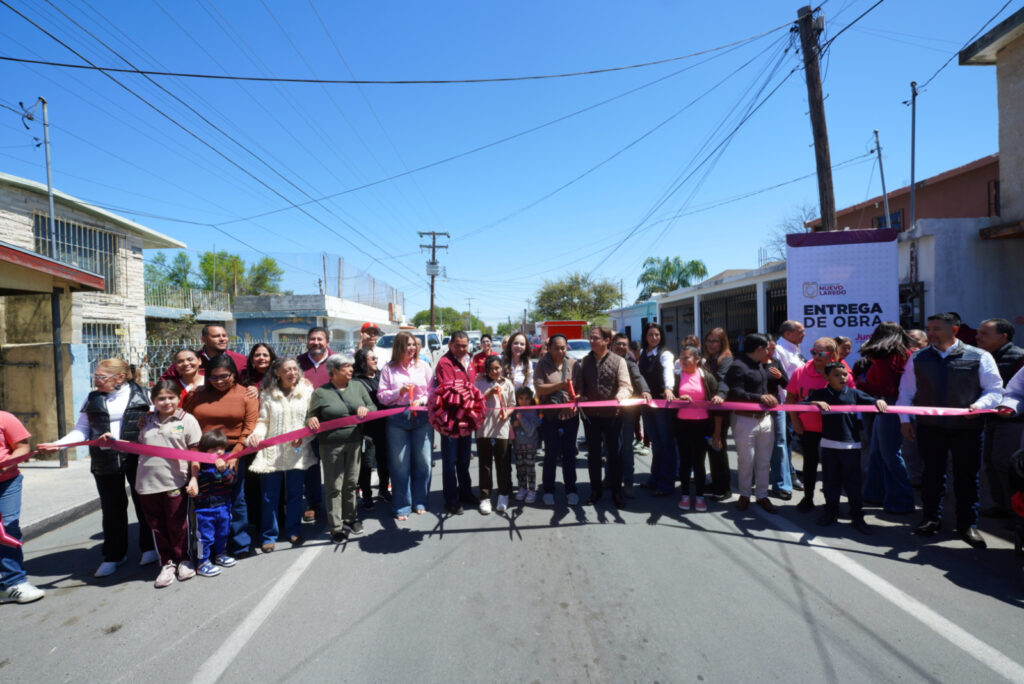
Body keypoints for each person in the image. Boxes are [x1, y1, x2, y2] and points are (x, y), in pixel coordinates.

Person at [38, 359, 156, 577]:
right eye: (95, 376)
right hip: (105, 461)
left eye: (101, 377)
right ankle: (114, 554)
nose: (96, 381)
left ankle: (149, 547)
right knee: (112, 508)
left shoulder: (145, 395)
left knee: (144, 503)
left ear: (120, 377)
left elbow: (157, 426)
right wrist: (58, 444)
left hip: (138, 458)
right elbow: (82, 430)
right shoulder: (93, 398)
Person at [898, 313, 1004, 548]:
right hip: (930, 428)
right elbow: (906, 392)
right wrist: (904, 420)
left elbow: (995, 390)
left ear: (954, 329)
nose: (931, 333)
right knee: (932, 475)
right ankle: (931, 519)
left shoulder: (979, 356)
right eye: (929, 328)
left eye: (936, 328)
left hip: (968, 428)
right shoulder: (918, 358)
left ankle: (967, 524)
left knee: (967, 477)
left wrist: (979, 406)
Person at [183, 355, 259, 558]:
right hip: (200, 453)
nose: (219, 381)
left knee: (236, 498)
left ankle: (239, 544)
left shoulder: (246, 395)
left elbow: (248, 428)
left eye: (224, 376)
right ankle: (207, 546)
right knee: (203, 499)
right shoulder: (197, 394)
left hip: (230, 453)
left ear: (234, 375)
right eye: (213, 377)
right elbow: (181, 418)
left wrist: (235, 455)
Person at [806, 362, 888, 535]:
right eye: (836, 375)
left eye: (844, 374)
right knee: (830, 482)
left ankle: (857, 516)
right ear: (826, 377)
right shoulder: (820, 394)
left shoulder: (854, 393)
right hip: (828, 446)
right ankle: (831, 512)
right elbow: (800, 404)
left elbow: (873, 401)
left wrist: (879, 401)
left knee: (853, 483)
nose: (842, 378)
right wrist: (814, 402)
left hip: (851, 446)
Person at [136, 380, 202, 588]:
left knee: (179, 524)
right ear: (153, 401)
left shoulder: (187, 420)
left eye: (171, 397)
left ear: (178, 398)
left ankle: (184, 559)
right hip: (147, 483)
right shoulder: (146, 421)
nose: (166, 402)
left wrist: (194, 478)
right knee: (157, 526)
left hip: (176, 481)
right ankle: (167, 563)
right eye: (161, 399)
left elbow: (195, 454)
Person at [247, 358, 316, 552]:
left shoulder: (307, 391)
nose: (292, 373)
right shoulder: (268, 394)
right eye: (287, 369)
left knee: (295, 493)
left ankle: (294, 529)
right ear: (277, 372)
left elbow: (312, 418)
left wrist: (304, 437)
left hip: (297, 450)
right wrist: (257, 435)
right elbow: (263, 420)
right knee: (269, 496)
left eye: (295, 369)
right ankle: (269, 535)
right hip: (272, 452)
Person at [306, 354, 373, 541]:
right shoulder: (321, 392)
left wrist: (365, 410)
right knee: (334, 486)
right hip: (330, 445)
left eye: (351, 366)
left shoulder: (358, 387)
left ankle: (351, 518)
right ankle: (335, 526)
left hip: (354, 442)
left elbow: (373, 407)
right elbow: (310, 417)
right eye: (346, 366)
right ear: (334, 370)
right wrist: (311, 419)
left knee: (351, 483)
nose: (351, 369)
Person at [786, 337, 853, 513]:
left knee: (833, 468)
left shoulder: (842, 372)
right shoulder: (800, 372)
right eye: (813, 352)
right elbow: (790, 398)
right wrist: (795, 422)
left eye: (821, 353)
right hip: (808, 428)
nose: (816, 356)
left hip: (834, 429)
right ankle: (808, 499)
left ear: (832, 355)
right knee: (809, 465)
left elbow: (852, 399)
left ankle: (832, 504)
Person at [857, 322, 915, 514]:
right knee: (878, 453)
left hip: (890, 406)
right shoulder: (898, 355)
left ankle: (901, 500)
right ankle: (875, 494)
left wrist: (859, 386)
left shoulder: (890, 358)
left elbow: (888, 389)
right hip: (888, 405)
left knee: (889, 454)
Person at [378, 331, 433, 521]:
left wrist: (423, 399)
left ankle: (420, 500)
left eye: (413, 345)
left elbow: (433, 390)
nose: (411, 348)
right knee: (400, 464)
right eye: (407, 345)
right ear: (399, 347)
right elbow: (382, 396)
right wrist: (397, 391)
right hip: (396, 418)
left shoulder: (423, 366)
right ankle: (401, 505)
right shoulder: (388, 369)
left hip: (422, 417)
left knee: (424, 462)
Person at [974, 318, 1024, 518]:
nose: (978, 337)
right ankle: (1003, 505)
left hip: (1013, 423)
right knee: (991, 462)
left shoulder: (1018, 357)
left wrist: (1010, 408)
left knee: (1005, 463)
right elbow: (1016, 393)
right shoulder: (981, 356)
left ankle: (1015, 512)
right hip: (993, 418)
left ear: (1003, 337)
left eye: (984, 333)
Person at [577, 326, 632, 508]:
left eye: (595, 338)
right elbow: (581, 387)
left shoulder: (618, 361)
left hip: (612, 416)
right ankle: (595, 490)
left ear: (607, 341)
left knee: (614, 455)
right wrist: (581, 395)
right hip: (591, 417)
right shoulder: (584, 362)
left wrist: (620, 396)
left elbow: (626, 386)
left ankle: (616, 491)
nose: (591, 341)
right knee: (593, 455)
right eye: (590, 338)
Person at [725, 334, 779, 513]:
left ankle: (762, 495)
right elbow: (735, 393)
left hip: (764, 419)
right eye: (766, 349)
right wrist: (760, 397)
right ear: (759, 349)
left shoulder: (760, 364)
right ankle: (745, 494)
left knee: (764, 461)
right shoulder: (737, 366)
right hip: (744, 420)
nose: (769, 352)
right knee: (746, 460)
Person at [0, 411, 44, 604]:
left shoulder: (4, 418)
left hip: (6, 482)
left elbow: (22, 447)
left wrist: (6, 464)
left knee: (7, 528)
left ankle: (15, 581)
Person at [673, 345, 723, 512]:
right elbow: (668, 399)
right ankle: (685, 494)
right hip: (681, 425)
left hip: (702, 426)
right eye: (681, 358)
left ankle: (700, 496)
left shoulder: (707, 378)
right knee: (685, 462)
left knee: (699, 461)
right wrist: (678, 398)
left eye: (686, 358)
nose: (682, 361)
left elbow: (718, 407)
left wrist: (717, 433)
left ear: (697, 360)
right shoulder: (676, 377)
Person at [534, 335, 582, 506]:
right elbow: (539, 388)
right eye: (557, 348)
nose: (560, 351)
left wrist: (574, 403)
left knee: (569, 454)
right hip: (550, 417)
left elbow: (580, 389)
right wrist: (560, 385)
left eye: (563, 347)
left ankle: (571, 489)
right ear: (549, 348)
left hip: (570, 416)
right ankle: (548, 489)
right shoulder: (542, 364)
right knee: (551, 454)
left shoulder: (574, 364)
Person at [433, 332, 478, 514]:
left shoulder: (470, 362)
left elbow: (474, 386)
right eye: (458, 345)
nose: (461, 349)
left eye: (464, 346)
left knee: (464, 459)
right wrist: (471, 396)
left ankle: (465, 492)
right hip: (450, 421)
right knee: (450, 461)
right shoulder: (445, 363)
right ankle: (451, 499)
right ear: (450, 344)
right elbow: (449, 390)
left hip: (467, 420)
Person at [297, 327, 331, 523]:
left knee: (335, 465)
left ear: (327, 342)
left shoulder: (337, 361)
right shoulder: (296, 363)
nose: (315, 343)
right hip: (306, 424)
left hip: (333, 423)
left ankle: (339, 503)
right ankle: (314, 504)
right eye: (312, 339)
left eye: (320, 339)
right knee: (310, 465)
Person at [636, 324, 675, 498]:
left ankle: (666, 484)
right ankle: (654, 478)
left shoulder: (665, 354)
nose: (654, 338)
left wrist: (668, 388)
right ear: (645, 336)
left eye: (657, 335)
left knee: (666, 445)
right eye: (651, 335)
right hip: (646, 404)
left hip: (661, 405)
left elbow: (668, 371)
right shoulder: (643, 354)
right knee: (656, 445)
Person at [190, 430, 235, 577]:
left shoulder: (225, 464)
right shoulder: (199, 467)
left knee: (223, 533)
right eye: (214, 449)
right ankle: (202, 562)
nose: (219, 452)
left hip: (223, 507)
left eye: (221, 448)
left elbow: (230, 482)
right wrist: (192, 488)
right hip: (204, 511)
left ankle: (220, 554)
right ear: (205, 450)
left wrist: (223, 470)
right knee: (205, 538)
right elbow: (194, 484)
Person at [474, 356, 516, 514]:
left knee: (503, 462)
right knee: (485, 463)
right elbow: (474, 401)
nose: (494, 372)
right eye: (490, 369)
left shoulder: (508, 383)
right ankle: (485, 497)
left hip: (502, 427)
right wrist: (487, 394)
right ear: (486, 370)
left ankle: (503, 494)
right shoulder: (479, 382)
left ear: (502, 368)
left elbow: (513, 404)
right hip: (483, 427)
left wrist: (507, 413)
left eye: (497, 368)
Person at [612, 332, 651, 497]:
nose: (621, 347)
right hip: (609, 413)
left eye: (624, 344)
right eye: (618, 343)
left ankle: (628, 483)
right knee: (611, 448)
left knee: (627, 448)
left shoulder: (629, 362)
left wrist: (645, 390)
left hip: (627, 412)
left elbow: (638, 376)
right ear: (612, 344)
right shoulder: (606, 360)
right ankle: (610, 479)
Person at [354, 348, 390, 508]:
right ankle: (366, 494)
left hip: (384, 426)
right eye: (372, 359)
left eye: (376, 358)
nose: (376, 361)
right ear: (363, 362)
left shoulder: (382, 376)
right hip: (366, 430)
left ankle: (384, 489)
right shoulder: (355, 381)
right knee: (367, 463)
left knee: (384, 460)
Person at [703, 327, 735, 501]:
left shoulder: (726, 359)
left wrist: (720, 395)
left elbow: (724, 380)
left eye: (715, 341)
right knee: (712, 446)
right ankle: (716, 481)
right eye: (708, 340)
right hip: (709, 409)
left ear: (722, 343)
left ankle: (724, 488)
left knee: (718, 444)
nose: (710, 344)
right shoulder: (710, 358)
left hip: (720, 409)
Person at [161, 324, 247, 382]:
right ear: (203, 339)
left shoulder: (240, 360)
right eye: (216, 336)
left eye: (224, 336)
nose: (222, 339)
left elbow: (251, 383)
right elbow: (165, 383)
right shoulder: (191, 362)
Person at [763, 335, 792, 500]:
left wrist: (780, 376)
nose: (771, 352)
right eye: (768, 348)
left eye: (773, 349)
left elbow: (787, 385)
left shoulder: (775, 363)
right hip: (757, 409)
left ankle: (781, 485)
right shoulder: (752, 364)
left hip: (777, 407)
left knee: (780, 444)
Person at [512, 386, 541, 503]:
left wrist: (522, 419)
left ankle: (532, 490)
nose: (524, 401)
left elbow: (530, 430)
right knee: (520, 468)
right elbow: (512, 426)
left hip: (530, 445)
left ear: (531, 399)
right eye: (521, 398)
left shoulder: (533, 411)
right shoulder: (514, 410)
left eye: (527, 398)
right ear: (517, 399)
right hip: (518, 445)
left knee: (530, 469)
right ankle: (522, 488)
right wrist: (514, 423)